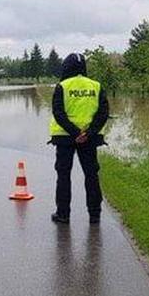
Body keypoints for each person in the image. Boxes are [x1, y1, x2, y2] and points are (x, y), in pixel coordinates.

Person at [49, 53, 109, 225]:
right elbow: (103, 113)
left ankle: (63, 214)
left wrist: (75, 133)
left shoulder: (62, 86)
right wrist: (88, 133)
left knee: (63, 175)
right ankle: (95, 215)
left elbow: (58, 113)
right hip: (90, 139)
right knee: (91, 175)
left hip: (65, 138)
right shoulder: (96, 86)